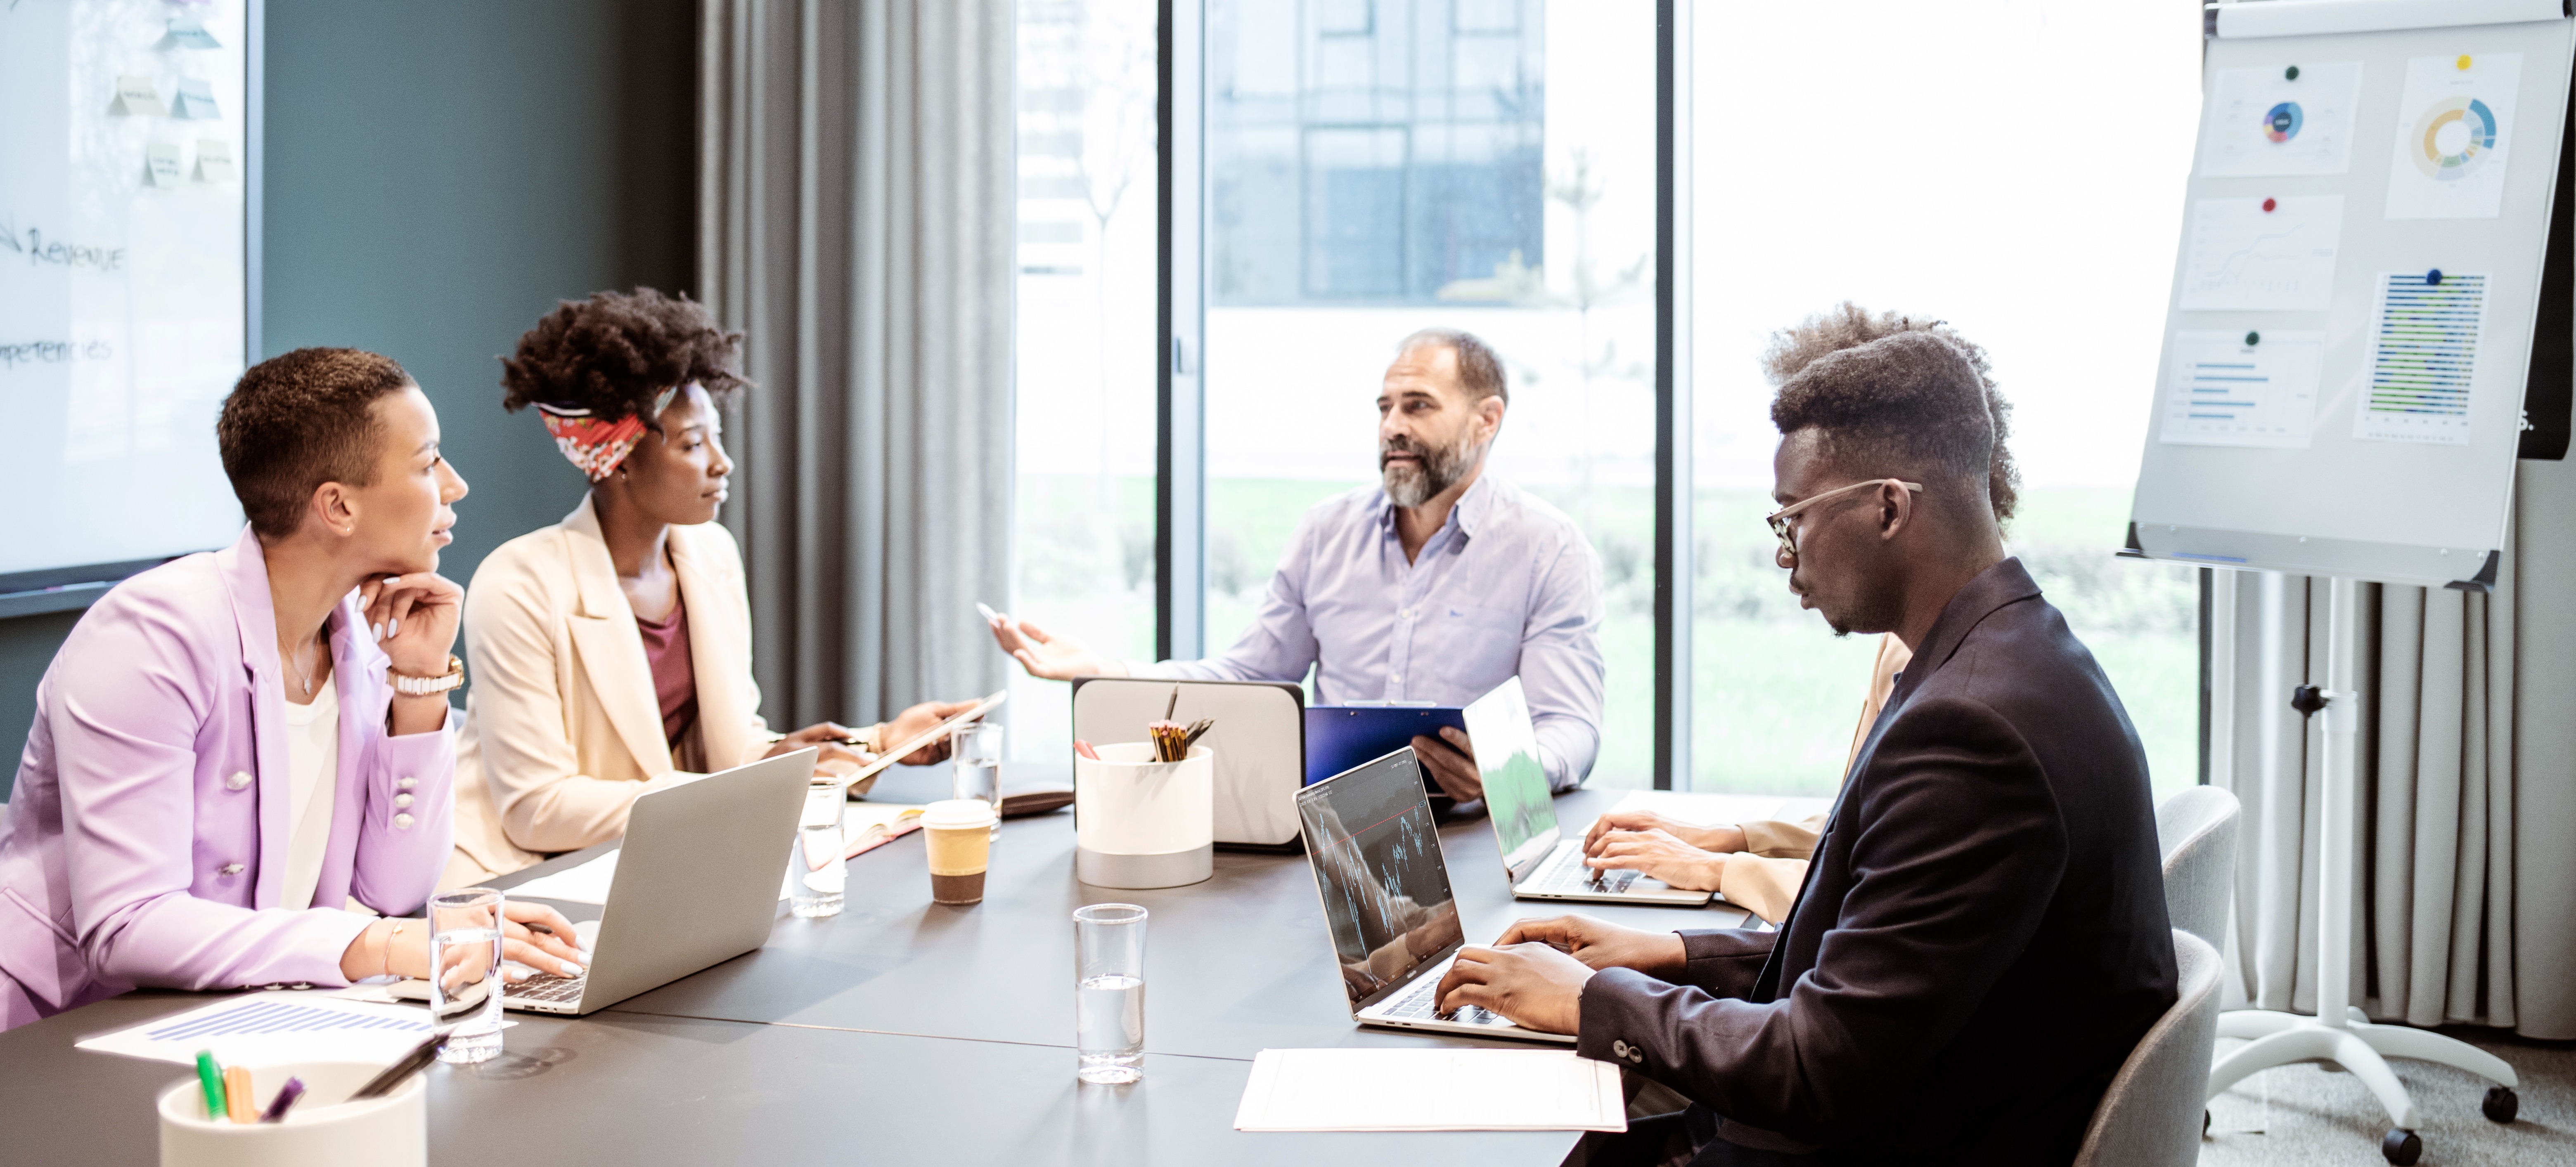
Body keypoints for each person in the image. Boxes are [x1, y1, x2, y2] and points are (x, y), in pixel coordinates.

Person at [1434, 324, 2178, 1165]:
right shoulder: (2019, 656)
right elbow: (1882, 962)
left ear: (1889, 508)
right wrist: (1669, 954)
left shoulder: (1973, 734)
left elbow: (1820, 1066)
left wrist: (1596, 1003)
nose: (1785, 558)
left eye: (1794, 521)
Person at [0, 348, 584, 1032]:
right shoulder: (150, 638)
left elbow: (394, 891)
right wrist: (383, 946)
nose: (455, 486)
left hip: (234, 1018)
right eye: (428, 463)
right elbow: (129, 928)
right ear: (337, 506)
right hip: (58, 1031)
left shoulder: (362, 638)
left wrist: (421, 683)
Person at [443, 289, 978, 888]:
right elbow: (538, 810)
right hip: (524, 885)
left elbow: (730, 748)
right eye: (695, 445)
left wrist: (877, 743)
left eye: (716, 438)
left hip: (656, 871)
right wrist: (736, 794)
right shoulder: (516, 585)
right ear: (615, 459)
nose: (722, 464)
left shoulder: (711, 555)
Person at [988, 328, 1605, 798]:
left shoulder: (1548, 548)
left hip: (1480, 831)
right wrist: (1107, 670)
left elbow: (1570, 728)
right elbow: (1250, 675)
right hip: (1339, 827)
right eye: (1384, 407)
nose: (1392, 426)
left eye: (1418, 406)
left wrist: (1507, 777)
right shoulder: (1326, 532)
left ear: (1486, 419)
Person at [1581, 307, 2022, 923]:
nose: (1786, 551)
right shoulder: (1980, 635)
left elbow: (1868, 906)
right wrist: (1735, 837)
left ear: (1887, 506)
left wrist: (1717, 872)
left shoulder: (1962, 709)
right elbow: (1868, 829)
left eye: (1800, 510)